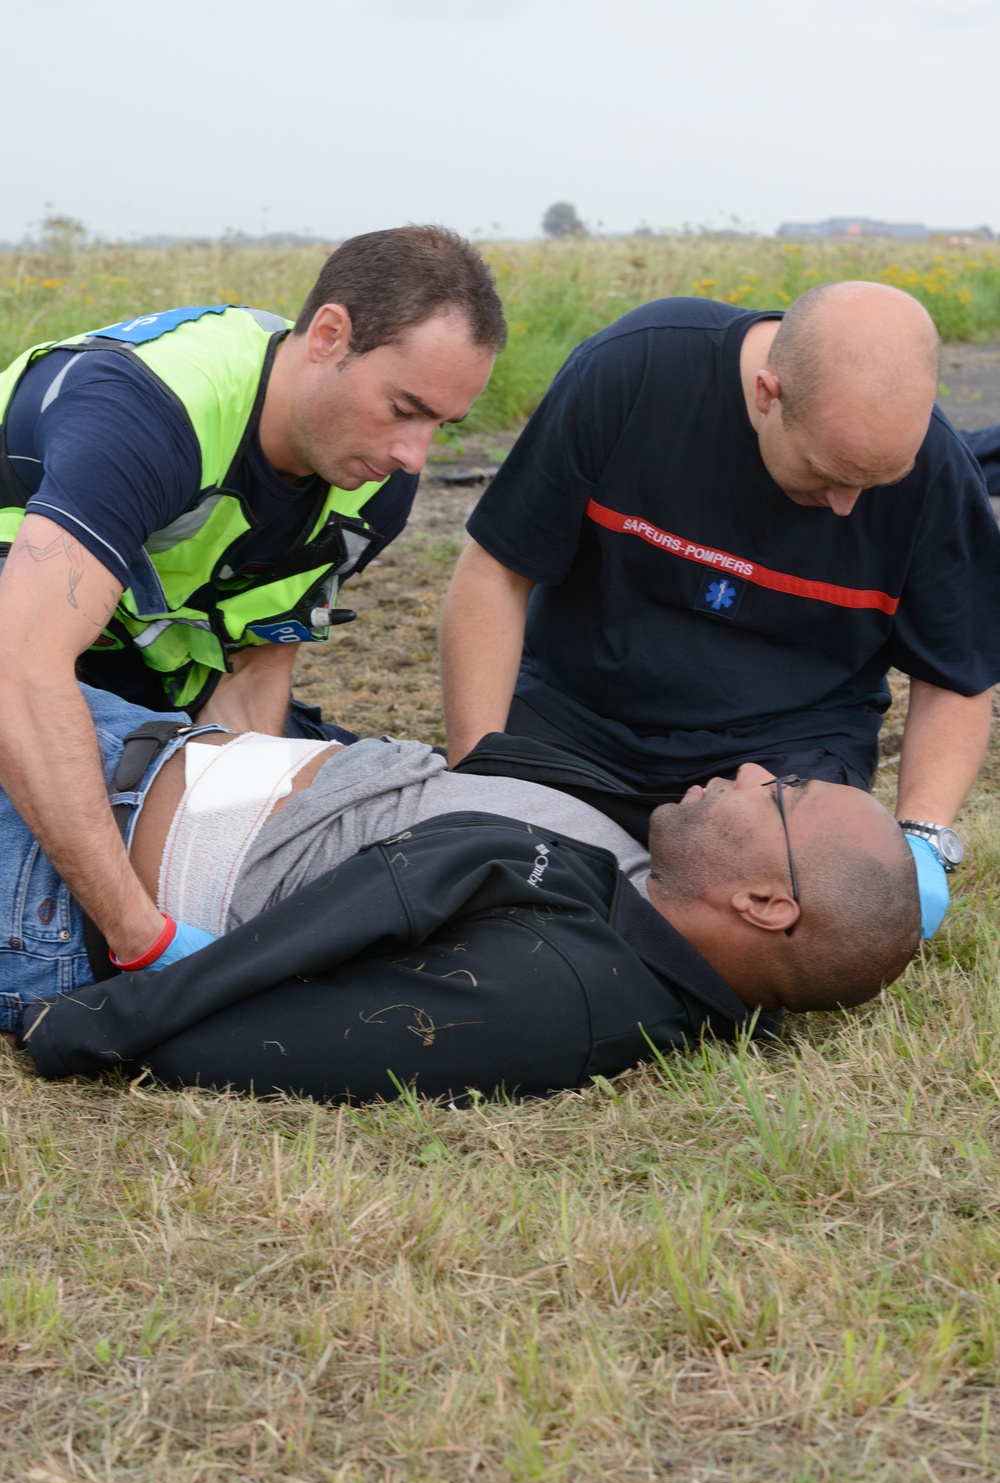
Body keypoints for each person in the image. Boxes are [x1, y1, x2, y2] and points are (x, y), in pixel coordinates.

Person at [6, 685, 922, 1102]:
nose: (756, 771)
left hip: (51, 872)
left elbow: (269, 1044)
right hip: (126, 741)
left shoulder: (558, 994)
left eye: (783, 797)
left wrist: (94, 1017)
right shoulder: (650, 886)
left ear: (767, 903)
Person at [0, 225, 505, 975]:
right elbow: (23, 672)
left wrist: (229, 849)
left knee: (368, 798)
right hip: (27, 662)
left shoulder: (372, 487)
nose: (414, 456)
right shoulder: (147, 414)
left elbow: (254, 670)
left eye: (441, 424)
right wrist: (142, 937)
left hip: (133, 683)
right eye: (404, 407)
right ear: (330, 335)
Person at [440, 281, 1000, 916]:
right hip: (577, 719)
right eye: (827, 474)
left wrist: (922, 840)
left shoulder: (940, 469)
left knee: (794, 920)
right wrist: (477, 774)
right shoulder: (636, 370)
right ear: (768, 395)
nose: (848, 506)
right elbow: (495, 574)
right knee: (500, 889)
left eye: (878, 484)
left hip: (782, 760)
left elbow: (956, 675)